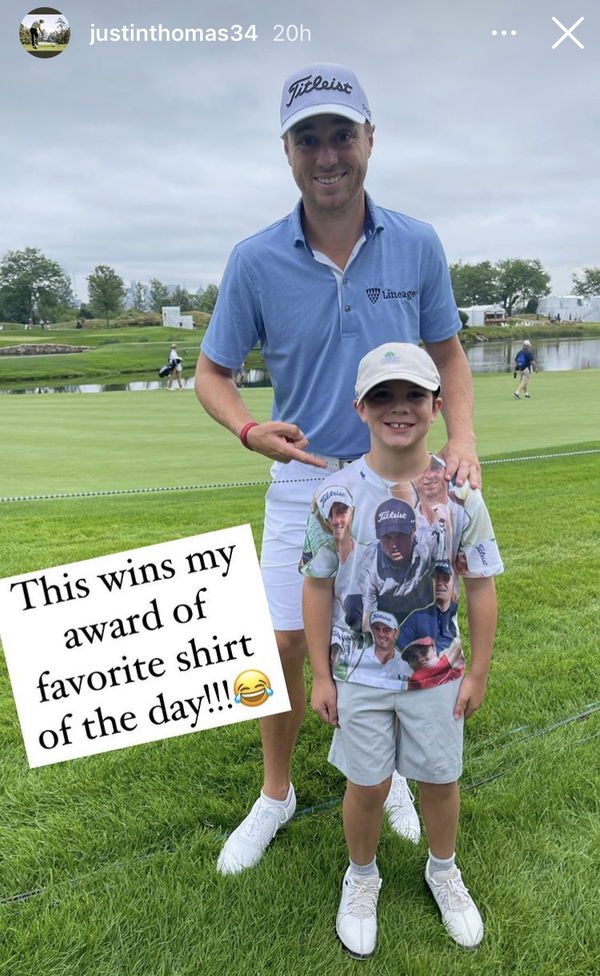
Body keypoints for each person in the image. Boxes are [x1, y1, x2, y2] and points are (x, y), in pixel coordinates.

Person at [194, 62, 480, 875]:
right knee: (285, 640)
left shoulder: (418, 242)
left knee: (400, 629)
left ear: (369, 142)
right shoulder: (255, 260)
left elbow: (449, 355)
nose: (328, 154)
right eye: (309, 138)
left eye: (341, 135)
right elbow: (212, 373)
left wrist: (461, 441)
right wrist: (248, 429)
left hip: (406, 475)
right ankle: (276, 792)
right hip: (305, 479)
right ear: (287, 151)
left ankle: (379, 772)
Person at [303, 342, 502, 956]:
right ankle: (361, 876)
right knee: (366, 785)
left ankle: (444, 870)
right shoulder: (334, 495)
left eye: (414, 394)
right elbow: (315, 585)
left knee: (439, 780)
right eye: (383, 396)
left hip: (436, 676)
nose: (400, 408)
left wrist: (479, 674)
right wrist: (320, 676)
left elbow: (480, 585)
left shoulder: (460, 496)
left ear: (437, 406)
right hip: (359, 676)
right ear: (360, 406)